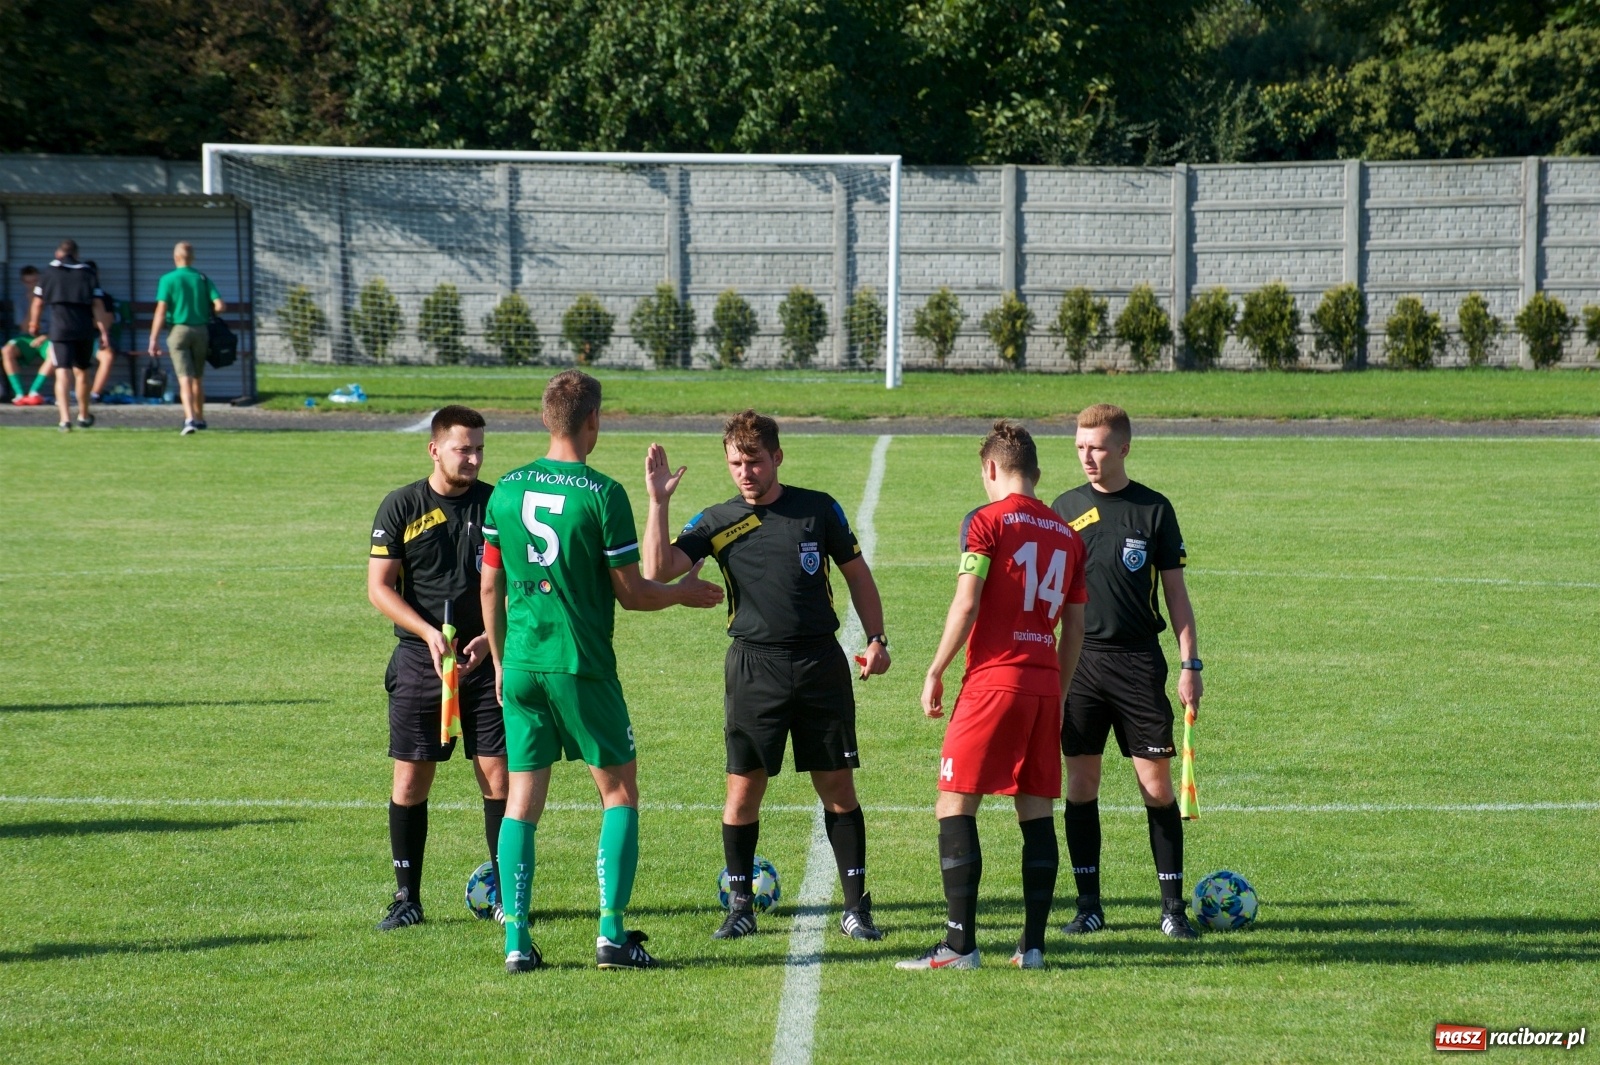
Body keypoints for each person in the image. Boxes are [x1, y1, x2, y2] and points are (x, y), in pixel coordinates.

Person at [481, 369, 723, 973]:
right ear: (594, 420)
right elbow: (633, 593)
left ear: (545, 419)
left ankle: (516, 944)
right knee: (618, 793)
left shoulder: (504, 489)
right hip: (581, 665)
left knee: (520, 804)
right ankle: (611, 936)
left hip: (522, 667)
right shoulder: (601, 492)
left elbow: (490, 582)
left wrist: (501, 656)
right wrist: (683, 593)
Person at [642, 409, 891, 942]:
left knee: (838, 789)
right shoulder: (716, 519)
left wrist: (876, 639)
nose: (745, 472)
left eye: (754, 461)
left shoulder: (817, 510)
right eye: (735, 463)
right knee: (743, 793)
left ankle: (855, 907)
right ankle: (739, 907)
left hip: (820, 663)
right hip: (754, 667)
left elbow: (857, 575)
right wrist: (659, 503)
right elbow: (656, 570)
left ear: (777, 457)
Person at [897, 421, 1087, 971]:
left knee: (955, 801)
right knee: (1035, 810)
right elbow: (1074, 629)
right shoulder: (1068, 533)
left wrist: (935, 669)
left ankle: (960, 947)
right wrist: (1060, 687)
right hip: (1044, 685)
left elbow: (967, 604)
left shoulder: (986, 522)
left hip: (992, 682)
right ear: (1037, 472)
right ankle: (1031, 948)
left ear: (990, 469)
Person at [1050, 403, 1204, 940]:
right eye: (1079, 447)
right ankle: (1088, 905)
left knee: (1156, 786)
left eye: (1096, 447)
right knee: (1081, 783)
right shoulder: (1064, 508)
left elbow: (1177, 597)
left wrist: (1190, 663)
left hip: (1139, 662)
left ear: (1123, 448)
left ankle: (1172, 909)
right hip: (1079, 663)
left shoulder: (1154, 510)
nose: (1086, 457)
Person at [367, 405, 509, 932]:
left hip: (485, 662)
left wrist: (489, 642)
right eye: (461, 448)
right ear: (435, 449)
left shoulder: (498, 504)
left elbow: (516, 584)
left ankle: (505, 896)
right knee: (410, 782)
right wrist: (428, 633)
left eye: (478, 449)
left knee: (498, 778)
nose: (471, 458)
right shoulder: (402, 505)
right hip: (420, 662)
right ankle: (407, 898)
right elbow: (379, 587)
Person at [26, 241, 110, 431]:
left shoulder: (49, 272)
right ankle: (83, 414)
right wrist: (104, 332)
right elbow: (97, 305)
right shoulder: (87, 273)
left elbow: (38, 302)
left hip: (60, 329)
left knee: (62, 371)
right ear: (76, 254)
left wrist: (34, 323)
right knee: (82, 372)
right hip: (83, 328)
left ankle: (65, 420)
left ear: (58, 253)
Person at [148, 242, 224, 435]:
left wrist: (153, 338)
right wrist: (208, 310)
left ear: (175, 257)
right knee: (198, 378)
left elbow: (161, 311)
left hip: (178, 331)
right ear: (193, 258)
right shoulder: (202, 278)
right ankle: (200, 418)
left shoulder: (168, 279)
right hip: (201, 330)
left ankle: (189, 419)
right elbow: (220, 305)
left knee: (184, 378)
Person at [6, 266, 55, 406]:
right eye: (28, 282)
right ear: (23, 283)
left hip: (47, 337)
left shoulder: (51, 300)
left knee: (55, 352)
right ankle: (19, 394)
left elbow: (59, 326)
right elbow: (23, 327)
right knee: (7, 350)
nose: (33, 285)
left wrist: (44, 337)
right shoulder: (21, 300)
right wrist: (32, 305)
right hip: (27, 338)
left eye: (35, 281)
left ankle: (34, 391)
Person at [83, 261, 118, 402]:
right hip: (78, 337)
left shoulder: (104, 297)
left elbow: (106, 322)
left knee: (107, 356)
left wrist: (93, 318)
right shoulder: (75, 295)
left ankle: (94, 394)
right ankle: (76, 392)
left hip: (97, 337)